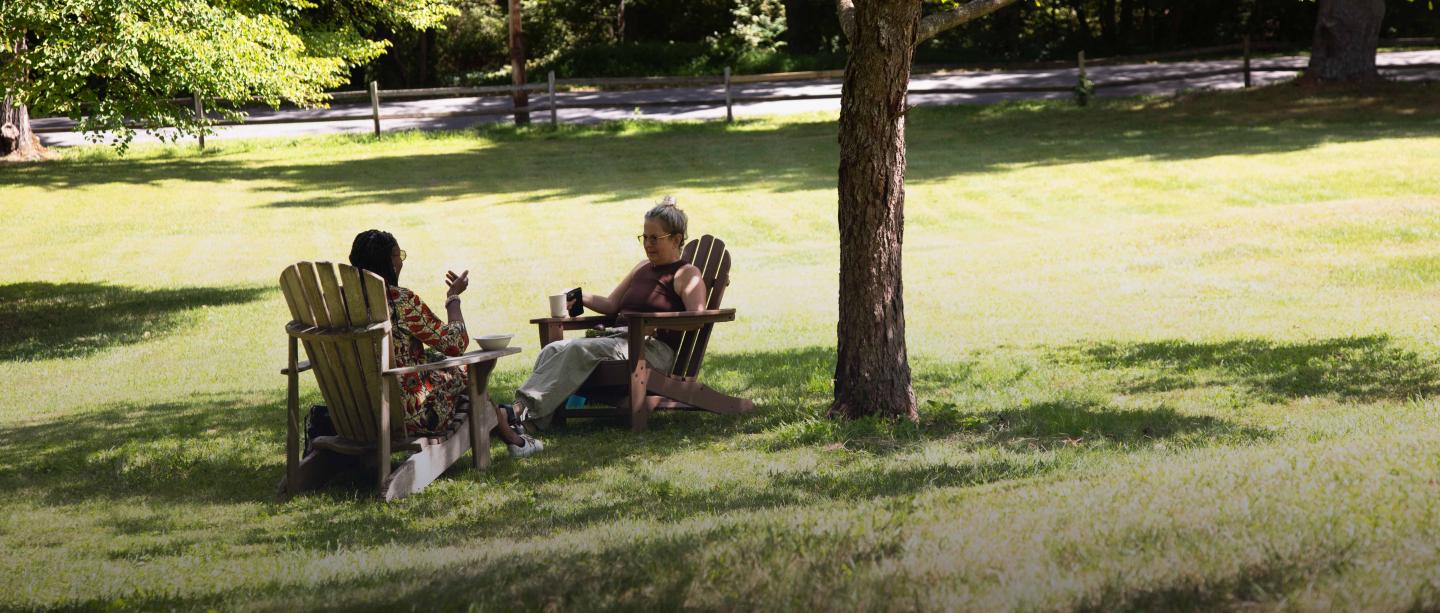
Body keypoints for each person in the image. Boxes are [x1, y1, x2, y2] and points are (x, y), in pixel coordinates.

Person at [507, 196, 706, 430]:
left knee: (576, 349)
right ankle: (531, 420)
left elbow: (697, 318)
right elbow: (612, 305)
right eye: (645, 237)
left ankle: (518, 412)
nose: (648, 244)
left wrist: (656, 325)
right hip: (618, 341)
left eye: (655, 238)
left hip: (650, 350)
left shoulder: (686, 274)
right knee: (552, 349)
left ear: (676, 239)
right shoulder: (642, 268)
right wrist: (576, 297)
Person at [348, 229, 542, 458]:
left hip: (354, 412)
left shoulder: (339, 305)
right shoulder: (399, 302)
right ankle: (513, 438)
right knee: (470, 372)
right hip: (407, 414)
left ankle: (506, 424)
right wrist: (453, 298)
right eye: (398, 254)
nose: (401, 261)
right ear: (389, 261)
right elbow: (455, 343)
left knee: (448, 366)